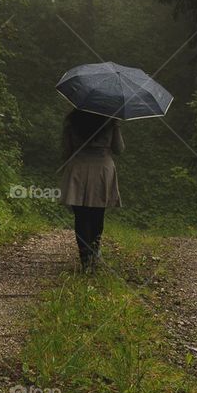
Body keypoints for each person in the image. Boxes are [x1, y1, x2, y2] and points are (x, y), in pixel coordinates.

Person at [60, 108, 124, 272]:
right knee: (97, 215)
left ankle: (85, 258)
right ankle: (94, 252)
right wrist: (116, 126)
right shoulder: (109, 121)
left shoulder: (72, 121)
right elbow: (118, 149)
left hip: (78, 170)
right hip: (102, 171)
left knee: (81, 217)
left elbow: (66, 151)